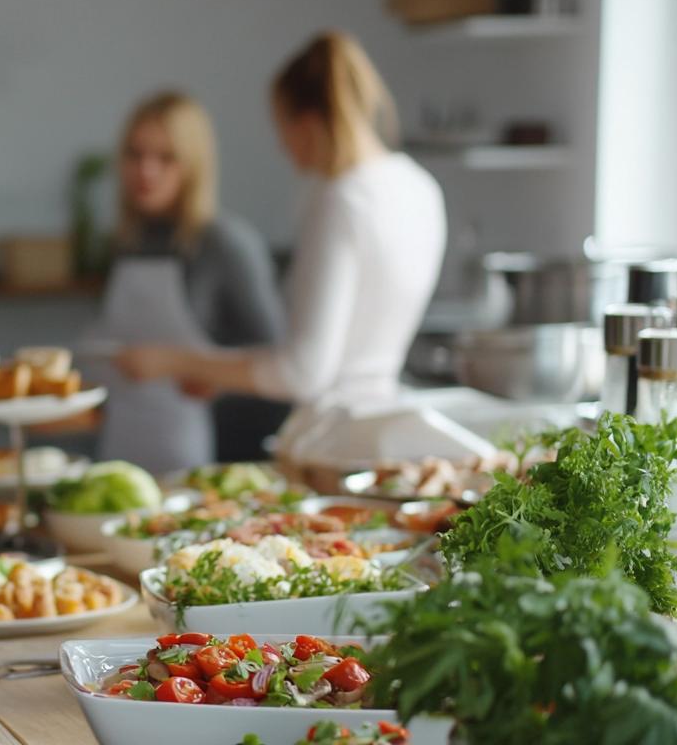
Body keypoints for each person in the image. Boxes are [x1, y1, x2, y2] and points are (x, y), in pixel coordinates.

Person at [116, 31, 447, 461]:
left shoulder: (341, 200)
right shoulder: (419, 186)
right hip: (383, 429)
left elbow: (302, 371)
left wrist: (176, 362)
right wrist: (221, 375)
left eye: (282, 128)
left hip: (333, 442)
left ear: (306, 124)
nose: (282, 146)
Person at [92, 91, 284, 474]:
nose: (146, 170)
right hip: (124, 438)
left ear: (193, 165)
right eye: (135, 154)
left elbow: (278, 358)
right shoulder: (123, 243)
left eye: (165, 158)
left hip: (202, 449)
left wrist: (219, 382)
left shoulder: (224, 243)